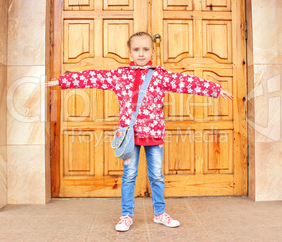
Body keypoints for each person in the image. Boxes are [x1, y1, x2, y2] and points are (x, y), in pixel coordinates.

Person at [46, 32, 233, 232]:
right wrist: (62, 81)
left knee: (157, 176)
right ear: (130, 53)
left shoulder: (161, 75)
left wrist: (214, 89)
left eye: (145, 49)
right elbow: (93, 77)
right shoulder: (120, 75)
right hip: (129, 136)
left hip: (154, 134)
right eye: (137, 49)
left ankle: (160, 214)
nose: (141, 54)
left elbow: (186, 82)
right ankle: (126, 216)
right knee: (129, 175)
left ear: (152, 51)